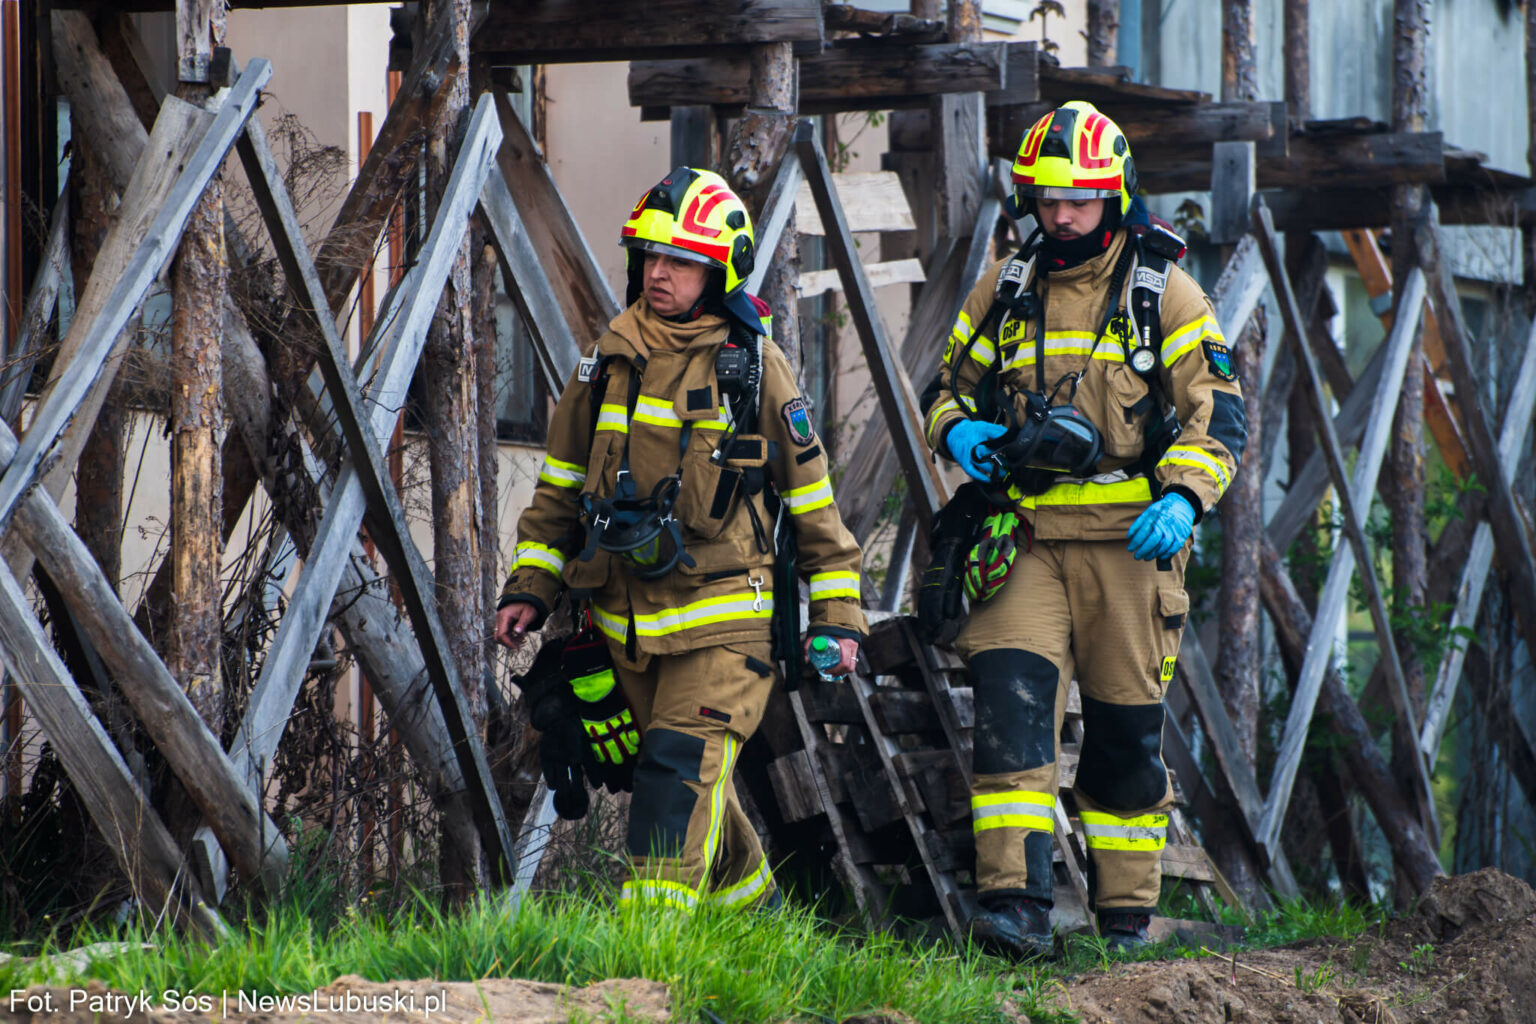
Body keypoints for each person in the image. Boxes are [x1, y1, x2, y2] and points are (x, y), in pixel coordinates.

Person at [921, 101, 1246, 958]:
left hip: (1129, 546)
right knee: (1010, 711)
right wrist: (958, 430)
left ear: (1115, 195)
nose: (1061, 215)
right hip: (1023, 538)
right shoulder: (1007, 286)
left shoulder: (1162, 292)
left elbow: (1220, 415)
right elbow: (944, 392)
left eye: (1079, 199)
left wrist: (1184, 499)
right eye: (1048, 198)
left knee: (1123, 737)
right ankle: (1015, 911)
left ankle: (1126, 921)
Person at [494, 167, 867, 913]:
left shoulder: (754, 368)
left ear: (719, 271)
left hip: (726, 627)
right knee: (689, 788)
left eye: (681, 261)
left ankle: (647, 954)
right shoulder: (604, 364)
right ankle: (754, 925)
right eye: (651, 256)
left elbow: (813, 505)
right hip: (626, 630)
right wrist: (530, 586)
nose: (658, 273)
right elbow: (560, 488)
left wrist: (837, 618)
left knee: (674, 773)